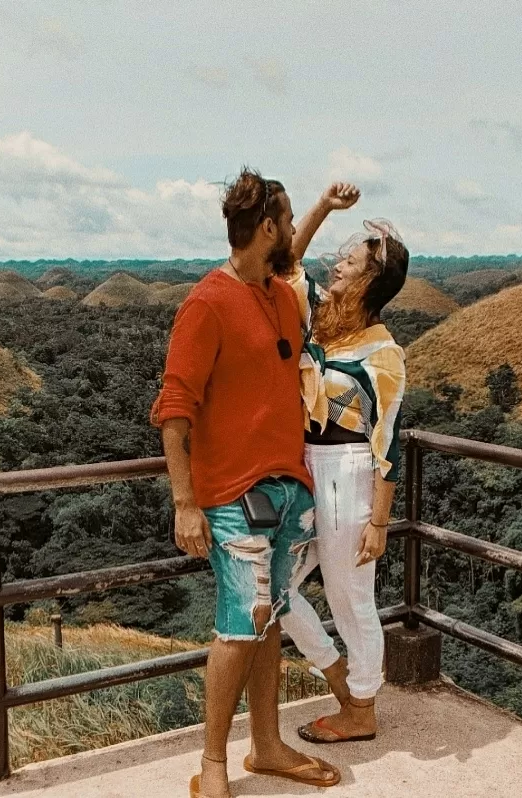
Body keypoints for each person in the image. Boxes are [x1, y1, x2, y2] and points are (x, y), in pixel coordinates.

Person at [152, 169, 354, 798]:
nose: (294, 231)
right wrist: (185, 503)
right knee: (244, 621)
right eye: (288, 221)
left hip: (287, 490)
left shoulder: (279, 296)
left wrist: (320, 207)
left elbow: (295, 265)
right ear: (267, 227)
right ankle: (213, 762)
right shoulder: (206, 304)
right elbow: (174, 409)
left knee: (268, 623)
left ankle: (266, 747)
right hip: (233, 495)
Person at [278, 193, 410, 745]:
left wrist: (378, 523)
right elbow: (285, 263)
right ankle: (341, 679)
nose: (337, 264)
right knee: (271, 586)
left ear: (369, 283)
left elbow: (387, 444)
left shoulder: (383, 355)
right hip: (305, 470)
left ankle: (360, 708)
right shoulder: (322, 323)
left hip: (349, 475)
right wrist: (323, 208)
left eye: (350, 262)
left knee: (351, 597)